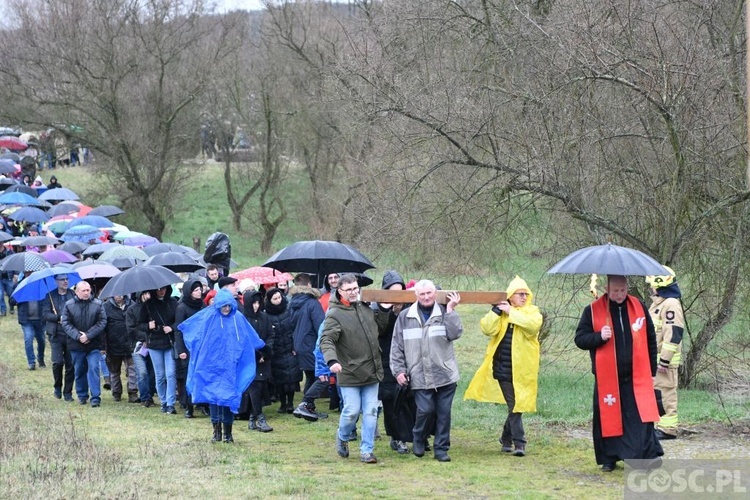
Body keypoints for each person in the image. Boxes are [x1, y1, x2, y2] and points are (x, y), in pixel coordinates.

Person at [575, 274, 663, 472]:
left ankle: (642, 457)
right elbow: (580, 339)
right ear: (607, 289)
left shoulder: (638, 306)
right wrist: (599, 336)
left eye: (623, 290)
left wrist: (652, 369)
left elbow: (650, 338)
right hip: (608, 377)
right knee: (608, 417)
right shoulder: (592, 310)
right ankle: (609, 458)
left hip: (636, 376)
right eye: (615, 291)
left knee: (639, 418)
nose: (620, 295)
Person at [465, 276, 543, 457]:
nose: (524, 297)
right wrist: (496, 312)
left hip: (523, 371)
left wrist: (511, 312)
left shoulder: (532, 312)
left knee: (517, 406)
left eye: (526, 294)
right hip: (503, 369)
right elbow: (487, 329)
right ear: (510, 296)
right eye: (519, 294)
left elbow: (533, 326)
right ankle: (520, 442)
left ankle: (505, 439)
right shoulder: (501, 313)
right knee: (515, 404)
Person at [178, 289, 265, 443]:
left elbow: (249, 336)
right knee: (213, 398)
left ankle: (228, 433)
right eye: (223, 306)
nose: (226, 308)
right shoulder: (209, 316)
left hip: (231, 365)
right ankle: (216, 431)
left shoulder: (237, 318)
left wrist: (261, 348)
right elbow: (195, 332)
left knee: (229, 397)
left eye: (228, 305)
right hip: (211, 365)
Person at [320, 273, 389, 464]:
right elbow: (326, 340)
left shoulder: (366, 308)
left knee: (371, 411)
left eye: (355, 288)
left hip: (371, 370)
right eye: (348, 289)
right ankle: (342, 436)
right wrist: (331, 361)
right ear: (339, 291)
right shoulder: (334, 314)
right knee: (351, 410)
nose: (352, 292)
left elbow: (379, 330)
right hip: (348, 371)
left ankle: (367, 450)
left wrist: (383, 310)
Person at [391, 280, 463, 462]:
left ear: (435, 293)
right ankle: (418, 437)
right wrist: (398, 370)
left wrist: (451, 311)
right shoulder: (405, 316)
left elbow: (455, 334)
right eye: (422, 294)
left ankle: (441, 449)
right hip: (418, 374)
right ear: (416, 295)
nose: (426, 297)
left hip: (445, 374)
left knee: (444, 413)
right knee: (425, 410)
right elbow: (396, 346)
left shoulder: (445, 312)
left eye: (429, 293)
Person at [370, 270, 414, 455]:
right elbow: (378, 331)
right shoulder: (377, 309)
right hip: (387, 360)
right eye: (392, 291)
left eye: (400, 291)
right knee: (392, 400)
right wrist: (386, 310)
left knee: (410, 400)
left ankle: (414, 435)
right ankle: (397, 438)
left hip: (409, 359)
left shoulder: (410, 309)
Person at [646, 267, 685, 440]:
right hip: (656, 361)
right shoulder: (659, 303)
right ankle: (660, 426)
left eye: (651, 284)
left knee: (666, 394)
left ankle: (668, 429)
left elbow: (673, 334)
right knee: (658, 394)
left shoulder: (670, 304)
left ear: (659, 283)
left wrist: (664, 361)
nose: (650, 287)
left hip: (664, 363)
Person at [61, 281, 107, 407]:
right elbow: (65, 323)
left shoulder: (98, 304)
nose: (87, 293)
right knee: (79, 370)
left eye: (88, 290)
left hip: (93, 344)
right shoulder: (69, 305)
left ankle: (95, 397)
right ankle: (82, 395)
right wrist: (78, 336)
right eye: (84, 291)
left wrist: (88, 335)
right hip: (76, 344)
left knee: (93, 368)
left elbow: (102, 322)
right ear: (77, 291)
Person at [136, 286, 178, 414]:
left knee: (170, 374)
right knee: (160, 375)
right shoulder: (148, 305)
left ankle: (170, 403)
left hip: (169, 342)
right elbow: (139, 324)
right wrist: (148, 326)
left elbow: (179, 320)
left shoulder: (173, 303)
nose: (162, 291)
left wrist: (171, 328)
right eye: (159, 289)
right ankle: (163, 401)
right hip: (154, 344)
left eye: (164, 288)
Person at [242, 289, 275, 432]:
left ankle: (252, 417)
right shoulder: (243, 319)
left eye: (258, 303)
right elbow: (243, 340)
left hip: (264, 358)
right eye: (253, 303)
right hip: (250, 359)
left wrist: (265, 353)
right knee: (254, 387)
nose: (256, 306)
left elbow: (271, 335)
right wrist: (257, 355)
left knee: (261, 388)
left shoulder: (264, 317)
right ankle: (260, 417)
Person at [265, 287, 301, 413]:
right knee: (279, 379)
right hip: (276, 350)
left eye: (279, 297)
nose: (278, 300)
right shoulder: (267, 314)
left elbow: (294, 329)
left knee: (291, 377)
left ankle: (290, 403)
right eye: (275, 299)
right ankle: (283, 403)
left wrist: (294, 346)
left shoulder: (288, 310)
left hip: (289, 348)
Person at [288, 273, 325, 396]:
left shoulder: (291, 303)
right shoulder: (312, 303)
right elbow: (320, 326)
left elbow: (290, 325)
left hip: (298, 345)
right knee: (316, 376)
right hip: (311, 344)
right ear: (309, 285)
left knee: (310, 375)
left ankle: (308, 405)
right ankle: (306, 404)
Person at [174, 279, 205, 418]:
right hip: (187, 347)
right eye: (196, 290)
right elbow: (179, 330)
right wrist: (181, 350)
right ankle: (189, 406)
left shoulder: (202, 305)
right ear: (189, 292)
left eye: (200, 289)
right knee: (188, 376)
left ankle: (202, 403)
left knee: (201, 375)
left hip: (201, 346)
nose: (199, 292)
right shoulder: (182, 307)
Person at [42, 274, 75, 401]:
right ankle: (57, 386)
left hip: (71, 334)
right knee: (57, 362)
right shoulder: (50, 296)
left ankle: (68, 392)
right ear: (56, 281)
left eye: (66, 279)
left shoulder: (73, 295)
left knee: (70, 364)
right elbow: (45, 314)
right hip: (56, 334)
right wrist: (58, 318)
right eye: (62, 280)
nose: (65, 281)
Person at [103, 294, 138, 403]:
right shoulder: (105, 307)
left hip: (130, 343)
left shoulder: (132, 305)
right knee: (114, 371)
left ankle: (133, 392)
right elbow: (103, 327)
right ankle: (116, 392)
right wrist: (103, 346)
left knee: (132, 370)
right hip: (113, 344)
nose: (118, 296)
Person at [127, 291, 156, 407]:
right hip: (137, 346)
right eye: (145, 294)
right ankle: (145, 397)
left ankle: (150, 395)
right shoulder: (132, 310)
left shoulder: (154, 307)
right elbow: (131, 329)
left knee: (152, 373)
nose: (148, 296)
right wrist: (144, 338)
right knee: (142, 372)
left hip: (153, 344)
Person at [16, 288, 47, 371]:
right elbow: (12, 301)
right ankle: (31, 362)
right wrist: (20, 297)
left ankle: (41, 358)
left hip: (40, 320)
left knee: (41, 340)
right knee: (28, 338)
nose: (28, 274)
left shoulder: (41, 287)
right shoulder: (20, 287)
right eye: (26, 273)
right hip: (26, 320)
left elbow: (47, 301)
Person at [0, 246, 16, 316]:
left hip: (9, 277)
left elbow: (15, 262)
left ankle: (11, 306)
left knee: (11, 294)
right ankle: (3, 311)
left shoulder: (10, 252)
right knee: (0, 295)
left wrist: (16, 273)